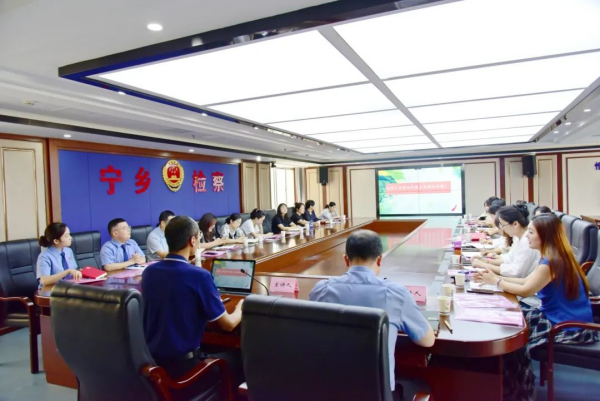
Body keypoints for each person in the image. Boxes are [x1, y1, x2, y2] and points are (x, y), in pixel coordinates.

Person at [475, 214, 597, 400]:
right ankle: (510, 383)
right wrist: (493, 277)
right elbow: (526, 281)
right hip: (560, 319)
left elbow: (526, 290)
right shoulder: (554, 255)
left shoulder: (552, 262)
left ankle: (517, 388)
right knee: (510, 320)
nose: (527, 236)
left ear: (545, 235)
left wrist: (496, 282)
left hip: (569, 328)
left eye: (531, 232)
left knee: (512, 329)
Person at [310, 229, 435, 400]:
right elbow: (427, 341)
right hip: (377, 395)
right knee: (421, 385)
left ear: (346, 259)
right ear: (380, 259)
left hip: (329, 391)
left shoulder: (321, 290)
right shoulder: (396, 294)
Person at [142, 215, 244, 386]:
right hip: (186, 368)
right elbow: (228, 325)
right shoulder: (199, 276)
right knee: (241, 356)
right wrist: (241, 307)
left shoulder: (149, 273)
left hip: (155, 365)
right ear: (193, 240)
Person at [471, 205, 540, 278]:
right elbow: (508, 259)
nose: (503, 229)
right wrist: (485, 261)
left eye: (503, 225)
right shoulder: (517, 238)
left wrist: (484, 265)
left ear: (515, 224)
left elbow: (515, 272)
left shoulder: (527, 241)